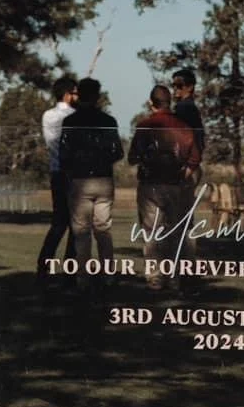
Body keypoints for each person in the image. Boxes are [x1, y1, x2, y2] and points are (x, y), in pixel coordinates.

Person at [128, 83, 200, 283]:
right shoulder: (184, 127)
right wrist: (185, 172)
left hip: (150, 185)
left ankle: (155, 277)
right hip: (176, 184)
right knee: (175, 231)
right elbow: (195, 158)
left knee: (151, 232)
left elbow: (132, 157)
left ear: (151, 103)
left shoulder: (145, 125)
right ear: (169, 102)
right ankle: (174, 276)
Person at [58, 77, 124, 273]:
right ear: (97, 96)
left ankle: (82, 277)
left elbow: (63, 153)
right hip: (103, 179)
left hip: (79, 180)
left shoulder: (70, 121)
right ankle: (108, 273)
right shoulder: (108, 121)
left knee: (81, 233)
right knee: (103, 230)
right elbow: (118, 152)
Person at [36, 75, 79, 275]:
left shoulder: (47, 116)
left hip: (56, 172)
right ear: (68, 95)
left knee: (58, 222)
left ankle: (44, 264)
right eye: (75, 93)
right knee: (75, 225)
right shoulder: (75, 117)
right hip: (73, 174)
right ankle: (70, 268)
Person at [171, 69, 206, 157]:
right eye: (173, 85)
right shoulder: (191, 107)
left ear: (190, 87)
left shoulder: (184, 107)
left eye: (179, 85)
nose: (175, 88)